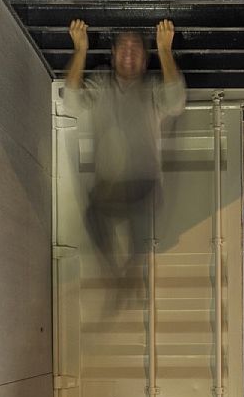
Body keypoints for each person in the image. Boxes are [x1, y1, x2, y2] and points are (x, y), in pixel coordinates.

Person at [62, 18, 186, 293]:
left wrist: (165, 50)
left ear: (144, 61)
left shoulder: (152, 87)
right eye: (123, 48)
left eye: (136, 49)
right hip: (110, 187)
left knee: (142, 225)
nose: (129, 53)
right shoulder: (101, 84)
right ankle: (115, 275)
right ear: (113, 55)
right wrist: (80, 50)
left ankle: (133, 271)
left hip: (144, 185)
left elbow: (176, 102)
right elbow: (71, 101)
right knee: (92, 213)